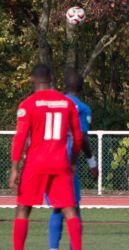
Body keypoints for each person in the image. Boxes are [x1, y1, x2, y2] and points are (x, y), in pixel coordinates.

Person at [9, 64, 83, 250]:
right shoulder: (67, 103)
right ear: (51, 77)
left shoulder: (27, 104)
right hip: (60, 162)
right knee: (69, 209)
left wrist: (15, 168)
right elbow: (78, 137)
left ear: (32, 79)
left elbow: (20, 138)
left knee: (23, 209)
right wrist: (73, 162)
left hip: (35, 163)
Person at [47, 71, 98, 250]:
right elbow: (82, 138)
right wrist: (92, 162)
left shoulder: (52, 105)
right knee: (73, 209)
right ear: (82, 88)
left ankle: (53, 248)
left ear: (64, 86)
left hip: (47, 160)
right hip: (66, 162)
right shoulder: (81, 108)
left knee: (57, 208)